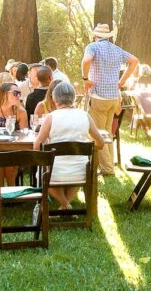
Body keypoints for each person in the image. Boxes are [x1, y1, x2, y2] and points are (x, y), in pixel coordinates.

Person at [36, 81, 107, 210]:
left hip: (54, 172)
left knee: (43, 175)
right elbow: (101, 143)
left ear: (55, 99)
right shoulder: (85, 116)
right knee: (76, 168)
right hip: (80, 171)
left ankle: (65, 206)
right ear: (73, 97)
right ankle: (66, 206)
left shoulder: (51, 117)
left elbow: (37, 146)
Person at [82, 23, 139, 176]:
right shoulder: (117, 49)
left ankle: (107, 169)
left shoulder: (92, 47)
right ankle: (109, 165)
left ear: (95, 35)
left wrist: (85, 78)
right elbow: (134, 61)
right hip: (113, 97)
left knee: (97, 134)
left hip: (98, 96)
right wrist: (122, 81)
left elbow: (86, 61)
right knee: (107, 133)